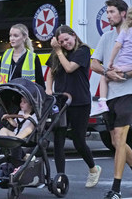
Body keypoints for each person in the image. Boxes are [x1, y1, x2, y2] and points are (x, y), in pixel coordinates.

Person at [90, 0, 132, 198]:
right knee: (116, 141)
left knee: (119, 137)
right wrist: (107, 73)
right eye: (107, 12)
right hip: (109, 94)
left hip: (130, 91)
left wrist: (126, 74)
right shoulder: (107, 37)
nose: (108, 16)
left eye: (111, 12)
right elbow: (94, 63)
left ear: (123, 13)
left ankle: (115, 189)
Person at [45, 25, 102, 188]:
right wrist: (49, 90)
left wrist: (58, 51)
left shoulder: (83, 51)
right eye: (61, 41)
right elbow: (51, 71)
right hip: (61, 101)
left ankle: (93, 169)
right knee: (58, 140)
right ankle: (60, 176)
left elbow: (70, 68)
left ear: (74, 36)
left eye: (67, 39)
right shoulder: (58, 52)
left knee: (78, 140)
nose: (64, 43)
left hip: (79, 101)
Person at [0, 23, 45, 130]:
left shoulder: (33, 58)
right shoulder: (6, 55)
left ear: (24, 37)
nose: (12, 38)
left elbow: (40, 84)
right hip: (5, 101)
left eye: (16, 36)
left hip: (22, 103)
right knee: (3, 133)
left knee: (18, 137)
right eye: (10, 35)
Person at [0, 96, 37, 162]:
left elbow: (33, 126)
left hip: (27, 137)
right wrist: (10, 119)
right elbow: (16, 125)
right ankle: (5, 142)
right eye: (21, 101)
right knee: (3, 129)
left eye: (24, 102)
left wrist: (30, 118)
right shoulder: (20, 113)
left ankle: (15, 140)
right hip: (16, 134)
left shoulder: (34, 115)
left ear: (31, 105)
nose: (21, 104)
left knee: (30, 127)